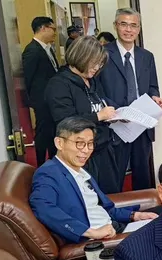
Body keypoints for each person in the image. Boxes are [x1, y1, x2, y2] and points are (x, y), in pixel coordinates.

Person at [29, 117, 158, 243]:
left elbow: (104, 208)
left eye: (90, 144)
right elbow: (43, 208)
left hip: (114, 226)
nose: (86, 150)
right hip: (102, 238)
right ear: (59, 143)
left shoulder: (79, 170)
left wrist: (134, 215)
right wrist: (90, 232)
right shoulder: (48, 173)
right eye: (79, 143)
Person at [98, 8, 162, 191]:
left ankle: (145, 208)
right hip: (115, 124)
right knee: (114, 178)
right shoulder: (103, 54)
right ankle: (114, 209)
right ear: (115, 26)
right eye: (124, 24)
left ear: (139, 28)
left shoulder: (147, 56)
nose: (129, 30)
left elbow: (153, 86)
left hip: (141, 124)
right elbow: (97, 89)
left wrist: (155, 97)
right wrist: (119, 112)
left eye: (133, 25)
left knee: (143, 175)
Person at [45, 36, 121, 194]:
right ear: (81, 57)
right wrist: (98, 116)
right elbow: (65, 121)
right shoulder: (59, 84)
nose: (97, 68)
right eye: (94, 63)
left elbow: (101, 102)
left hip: (103, 150)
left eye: (100, 64)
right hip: (81, 155)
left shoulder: (91, 80)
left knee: (112, 196)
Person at [22, 16, 59, 165]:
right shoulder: (32, 50)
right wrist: (35, 101)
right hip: (41, 101)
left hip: (51, 99)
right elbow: (28, 78)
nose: (55, 32)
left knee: (52, 132)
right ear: (43, 28)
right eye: (53, 29)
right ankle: (41, 164)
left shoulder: (47, 48)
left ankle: (53, 162)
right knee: (43, 134)